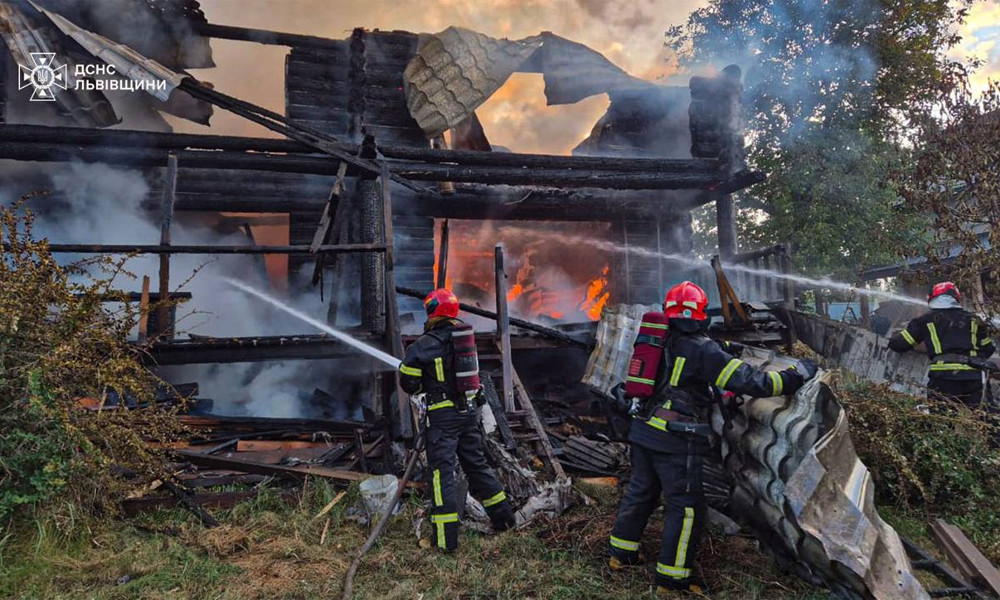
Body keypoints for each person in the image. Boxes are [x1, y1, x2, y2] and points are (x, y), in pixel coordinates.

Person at [608, 281, 817, 595]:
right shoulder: (702, 349)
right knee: (687, 508)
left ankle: (620, 555)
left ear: (669, 311)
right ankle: (672, 579)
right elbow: (755, 382)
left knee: (641, 493)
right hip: (676, 440)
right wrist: (797, 373)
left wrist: (723, 350)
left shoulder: (659, 337)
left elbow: (687, 361)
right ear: (701, 313)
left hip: (643, 430)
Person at [398, 288, 516, 552]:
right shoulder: (465, 337)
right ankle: (505, 520)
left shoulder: (423, 345)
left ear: (432, 311)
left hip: (444, 419)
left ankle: (444, 539)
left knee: (441, 475)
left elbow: (409, 384)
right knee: (477, 465)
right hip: (469, 414)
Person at [888, 282, 994, 407]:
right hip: (973, 378)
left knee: (944, 419)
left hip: (943, 378)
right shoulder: (974, 320)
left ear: (932, 298)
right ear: (956, 299)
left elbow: (898, 344)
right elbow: (988, 349)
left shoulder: (925, 320)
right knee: (981, 420)